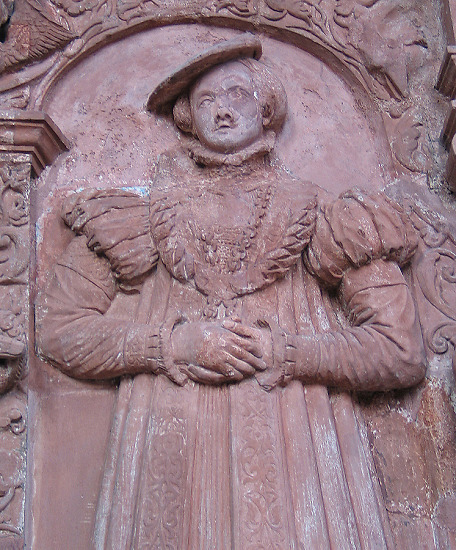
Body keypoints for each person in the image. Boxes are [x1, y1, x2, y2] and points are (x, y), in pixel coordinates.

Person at [36, 34, 426, 549]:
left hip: (294, 446)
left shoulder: (327, 216)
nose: (222, 112)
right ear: (185, 117)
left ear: (267, 108)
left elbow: (399, 352)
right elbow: (61, 330)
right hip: (166, 441)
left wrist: (287, 352)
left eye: (237, 95)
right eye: (206, 101)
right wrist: (168, 347)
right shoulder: (131, 217)